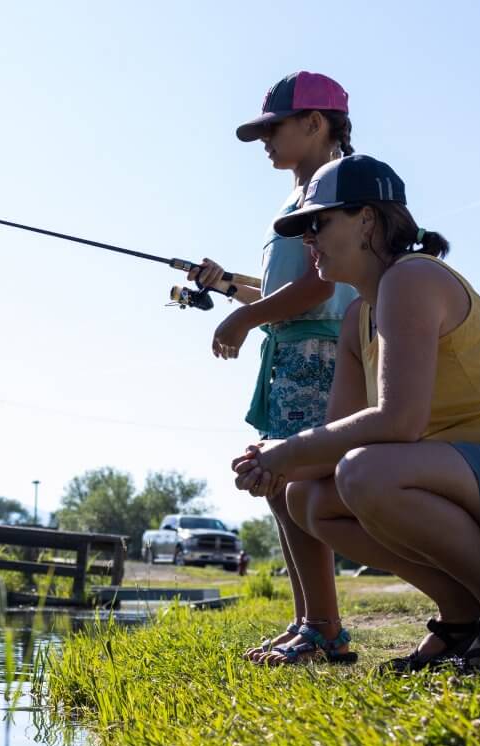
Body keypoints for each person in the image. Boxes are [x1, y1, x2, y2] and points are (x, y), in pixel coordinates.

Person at [232, 154, 480, 670]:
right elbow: (331, 442)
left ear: (368, 220)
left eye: (319, 222)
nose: (308, 239)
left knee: (367, 473)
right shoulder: (360, 313)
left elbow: (398, 422)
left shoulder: (412, 279)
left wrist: (289, 448)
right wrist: (272, 465)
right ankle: (462, 616)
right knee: (306, 497)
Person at [190, 71, 359, 662]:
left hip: (317, 354)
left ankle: (325, 629)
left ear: (315, 123)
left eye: (273, 127)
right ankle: (311, 620)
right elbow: (288, 290)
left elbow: (319, 286)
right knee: (278, 487)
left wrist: (242, 319)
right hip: (293, 351)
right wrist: (231, 287)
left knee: (293, 484)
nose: (264, 139)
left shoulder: (330, 187)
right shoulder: (298, 196)